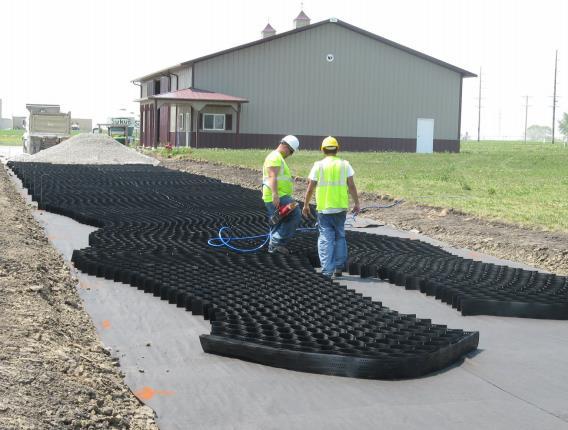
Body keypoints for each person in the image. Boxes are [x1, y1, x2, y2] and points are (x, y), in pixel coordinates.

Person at [302, 136, 360, 278]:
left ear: (323, 150)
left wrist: (305, 204)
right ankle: (339, 268)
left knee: (326, 238)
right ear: (337, 149)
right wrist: (357, 203)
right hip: (340, 208)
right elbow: (351, 186)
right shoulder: (345, 164)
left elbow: (310, 188)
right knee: (340, 236)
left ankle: (327, 271)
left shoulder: (318, 165)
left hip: (324, 208)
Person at [262, 135, 302, 254]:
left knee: (277, 221)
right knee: (295, 214)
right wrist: (275, 195)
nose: (290, 154)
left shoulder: (277, 158)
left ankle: (273, 248)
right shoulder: (275, 157)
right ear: (286, 146)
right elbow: (272, 176)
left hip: (278, 195)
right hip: (278, 195)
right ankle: (276, 243)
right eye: (291, 151)